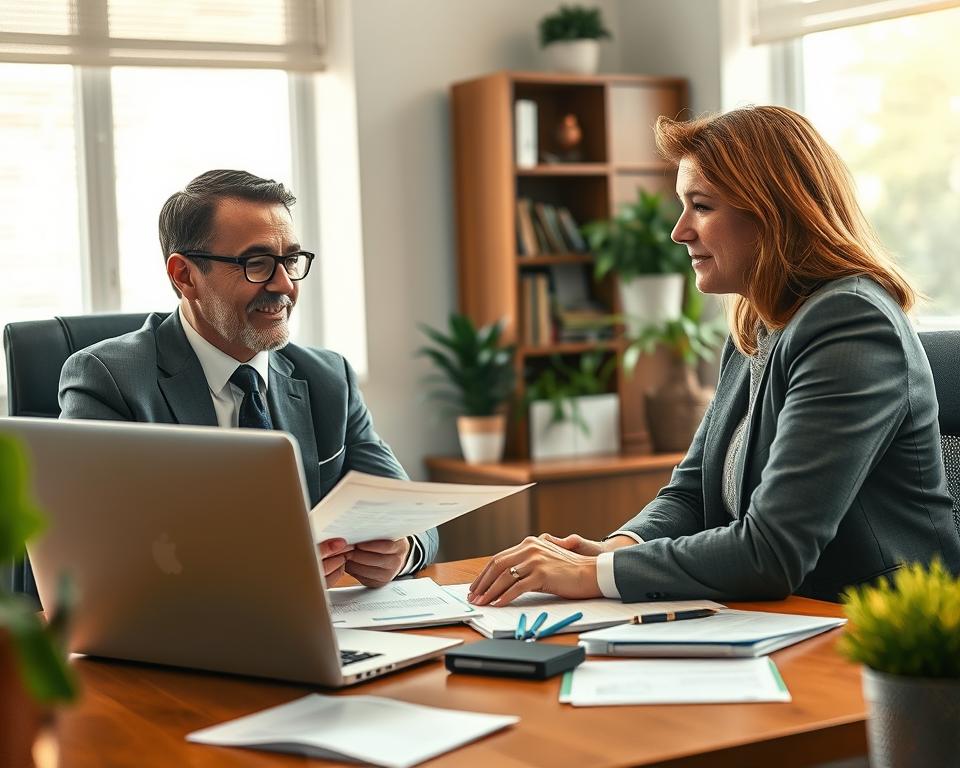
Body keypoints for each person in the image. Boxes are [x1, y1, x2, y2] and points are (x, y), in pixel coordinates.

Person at [469, 105, 960, 606]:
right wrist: (612, 550)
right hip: (784, 616)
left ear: (772, 212)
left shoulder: (853, 324)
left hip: (881, 637)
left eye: (701, 206)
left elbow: (772, 552)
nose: (679, 231)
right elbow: (689, 494)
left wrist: (594, 575)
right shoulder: (758, 321)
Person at [59, 169, 437, 588]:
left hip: (324, 632)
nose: (285, 284)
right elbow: (94, 554)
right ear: (184, 275)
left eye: (291, 260)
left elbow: (413, 516)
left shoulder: (329, 377)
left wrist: (403, 549)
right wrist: (265, 568)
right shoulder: (108, 379)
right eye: (256, 264)